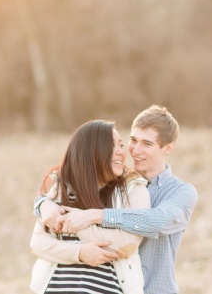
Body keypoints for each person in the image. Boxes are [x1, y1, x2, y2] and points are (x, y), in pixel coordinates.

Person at [36, 105, 198, 294]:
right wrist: (42, 204)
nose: (135, 150)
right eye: (133, 140)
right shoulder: (117, 184)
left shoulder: (181, 192)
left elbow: (155, 221)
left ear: (167, 148)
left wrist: (97, 216)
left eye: (147, 144)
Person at [30, 120, 151, 294]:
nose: (121, 153)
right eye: (111, 146)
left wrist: (77, 224)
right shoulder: (63, 188)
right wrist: (79, 253)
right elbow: (38, 243)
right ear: (91, 151)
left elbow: (127, 243)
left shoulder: (133, 189)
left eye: (121, 145)